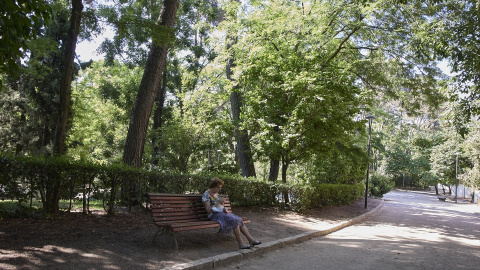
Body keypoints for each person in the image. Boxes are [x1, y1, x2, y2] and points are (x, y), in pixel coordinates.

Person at [202, 177, 261, 249]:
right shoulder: (206, 195)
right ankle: (241, 243)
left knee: (239, 219)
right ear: (213, 186)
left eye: (220, 188)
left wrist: (222, 203)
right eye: (218, 187)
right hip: (214, 215)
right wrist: (218, 202)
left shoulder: (216, 194)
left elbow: (220, 206)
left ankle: (251, 240)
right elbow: (208, 210)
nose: (219, 189)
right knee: (234, 220)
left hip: (222, 213)